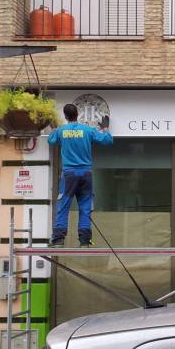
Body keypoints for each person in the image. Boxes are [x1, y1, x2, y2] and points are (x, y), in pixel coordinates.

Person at [49, 104, 113, 247]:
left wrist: (53, 128)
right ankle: (85, 241)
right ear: (77, 114)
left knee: (63, 205)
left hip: (69, 174)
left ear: (65, 116)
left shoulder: (61, 131)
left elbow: (51, 141)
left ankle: (58, 240)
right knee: (85, 207)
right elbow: (107, 140)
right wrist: (105, 128)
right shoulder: (88, 130)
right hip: (86, 174)